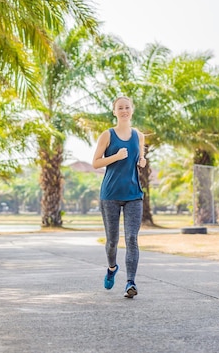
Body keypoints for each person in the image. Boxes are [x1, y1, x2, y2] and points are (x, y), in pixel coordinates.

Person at [92, 96, 146, 298]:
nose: (124, 111)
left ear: (132, 110)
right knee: (112, 241)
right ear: (114, 111)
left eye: (127, 107)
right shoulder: (107, 135)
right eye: (120, 108)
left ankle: (130, 282)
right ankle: (112, 268)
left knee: (132, 238)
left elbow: (140, 158)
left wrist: (142, 161)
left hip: (134, 194)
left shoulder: (139, 136)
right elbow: (96, 163)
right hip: (110, 195)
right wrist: (116, 156)